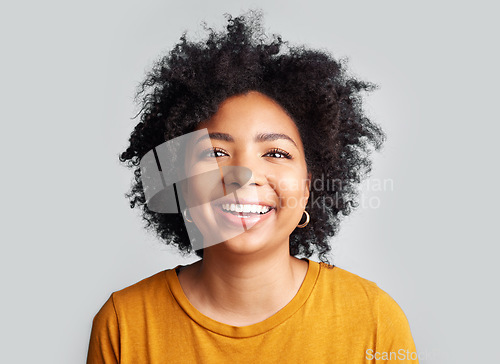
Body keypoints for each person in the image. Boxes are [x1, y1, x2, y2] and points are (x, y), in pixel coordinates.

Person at [86, 9, 419, 363]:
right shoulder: (124, 323)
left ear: (308, 184)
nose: (242, 173)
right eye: (214, 152)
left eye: (275, 152)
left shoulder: (374, 319)